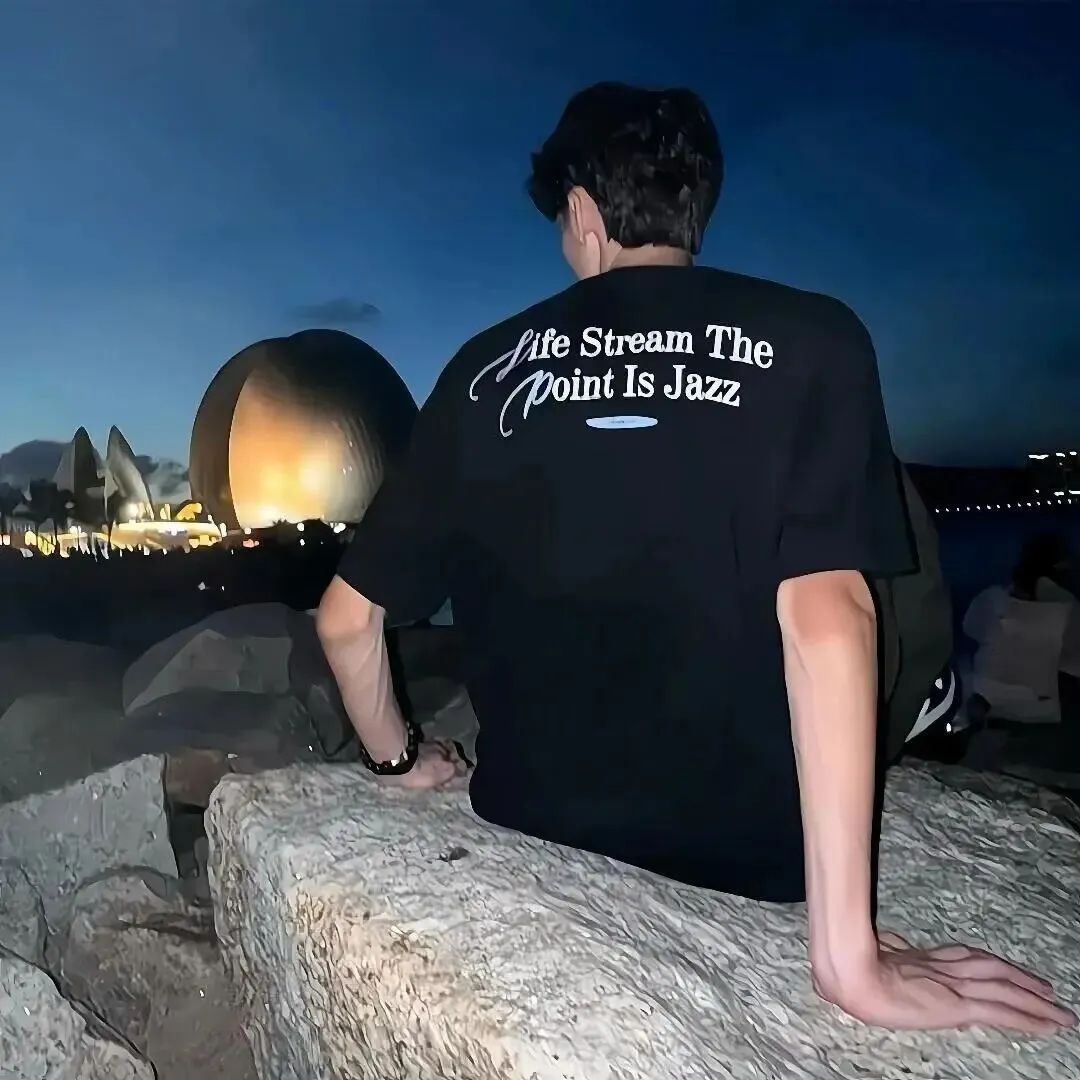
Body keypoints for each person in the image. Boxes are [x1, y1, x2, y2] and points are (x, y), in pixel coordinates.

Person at [316, 82, 1074, 1034]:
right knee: (879, 499)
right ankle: (926, 700)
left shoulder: (481, 369)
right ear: (695, 211)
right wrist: (851, 961)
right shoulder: (815, 336)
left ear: (582, 212)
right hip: (749, 849)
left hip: (533, 807)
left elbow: (347, 620)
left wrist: (399, 761)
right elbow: (826, 615)